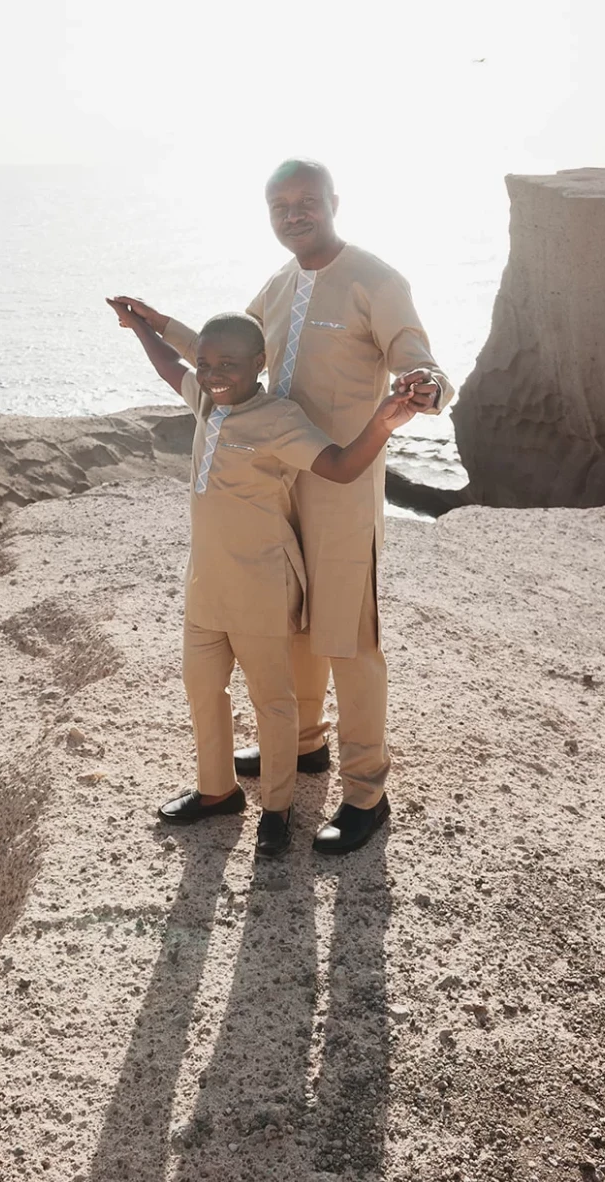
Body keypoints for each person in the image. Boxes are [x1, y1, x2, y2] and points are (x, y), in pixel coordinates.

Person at [111, 158, 451, 855]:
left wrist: (428, 383)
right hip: (276, 488)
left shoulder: (376, 280)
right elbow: (227, 347)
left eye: (306, 202)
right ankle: (303, 747)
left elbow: (416, 355)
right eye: (280, 205)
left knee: (347, 640)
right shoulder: (281, 281)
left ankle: (365, 794)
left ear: (333, 202)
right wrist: (158, 322)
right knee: (291, 624)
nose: (294, 215)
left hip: (340, 489)